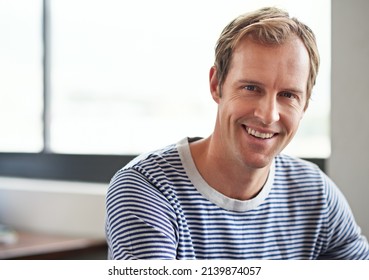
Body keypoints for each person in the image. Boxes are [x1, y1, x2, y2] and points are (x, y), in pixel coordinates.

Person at [105, 7, 369, 259]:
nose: (268, 115)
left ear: (304, 106)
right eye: (251, 88)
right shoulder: (148, 189)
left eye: (288, 95)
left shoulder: (316, 195)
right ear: (216, 85)